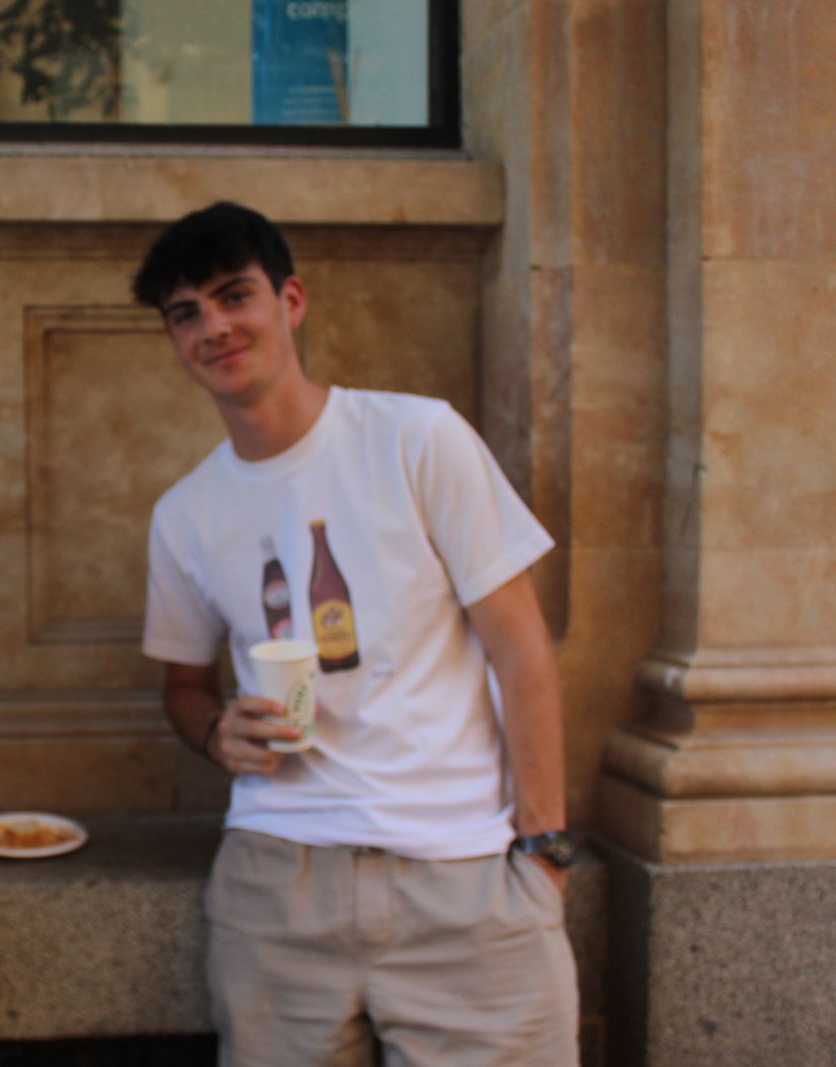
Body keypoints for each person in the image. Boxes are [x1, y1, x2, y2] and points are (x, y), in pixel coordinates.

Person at [132, 201, 577, 1066]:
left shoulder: (415, 437)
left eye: (234, 296)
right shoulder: (185, 514)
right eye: (186, 314)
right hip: (278, 884)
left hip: (465, 879)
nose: (214, 327)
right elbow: (184, 690)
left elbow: (522, 647)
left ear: (291, 301)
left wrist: (544, 852)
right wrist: (218, 733)